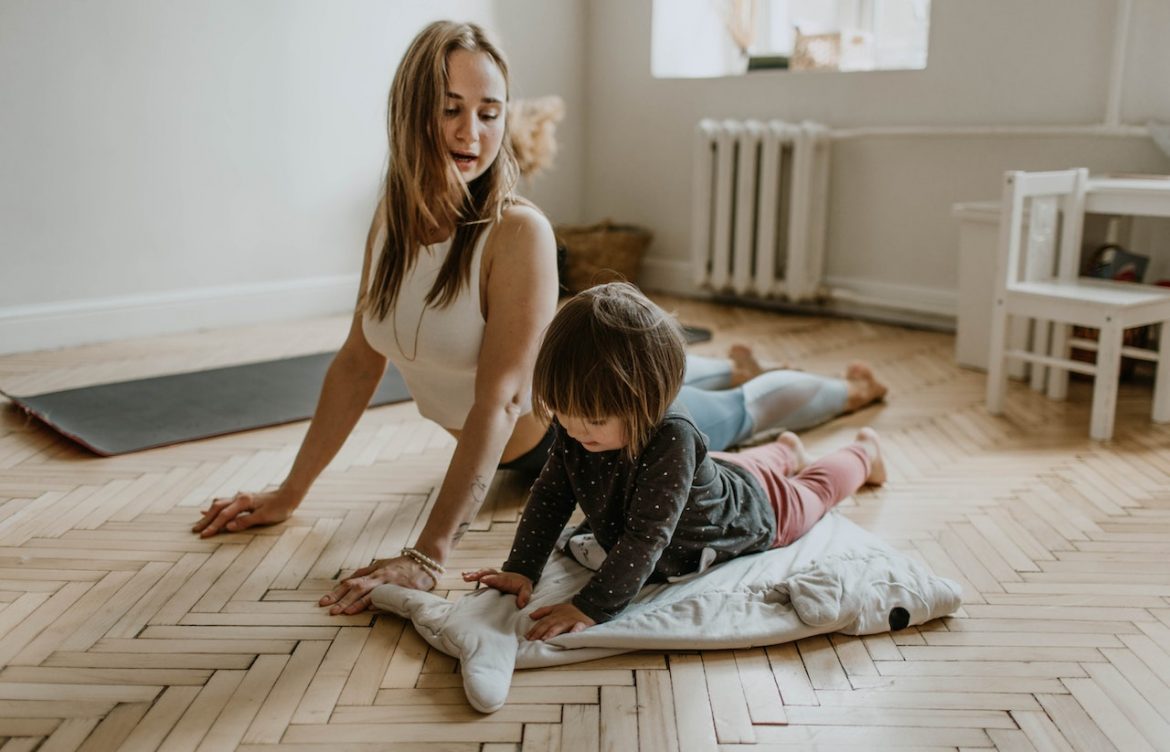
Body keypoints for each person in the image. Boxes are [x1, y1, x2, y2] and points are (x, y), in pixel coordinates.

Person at [190, 20, 887, 616]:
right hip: (565, 420)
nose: (472, 131)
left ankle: (847, 395)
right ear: (410, 110)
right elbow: (355, 363)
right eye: (451, 107)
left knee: (736, 410)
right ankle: (741, 391)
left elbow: (501, 399)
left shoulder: (515, 232)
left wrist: (427, 556)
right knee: (714, 398)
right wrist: (290, 491)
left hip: (596, 432)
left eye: (489, 111)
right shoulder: (391, 222)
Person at [463, 283, 885, 639]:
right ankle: (787, 450)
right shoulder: (579, 426)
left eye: (592, 420)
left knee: (814, 489)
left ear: (647, 401)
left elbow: (647, 537)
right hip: (715, 474)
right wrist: (521, 567)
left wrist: (591, 606)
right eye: (563, 414)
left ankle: (865, 452)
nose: (574, 430)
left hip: (755, 509)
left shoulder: (673, 437)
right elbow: (552, 494)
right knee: (738, 467)